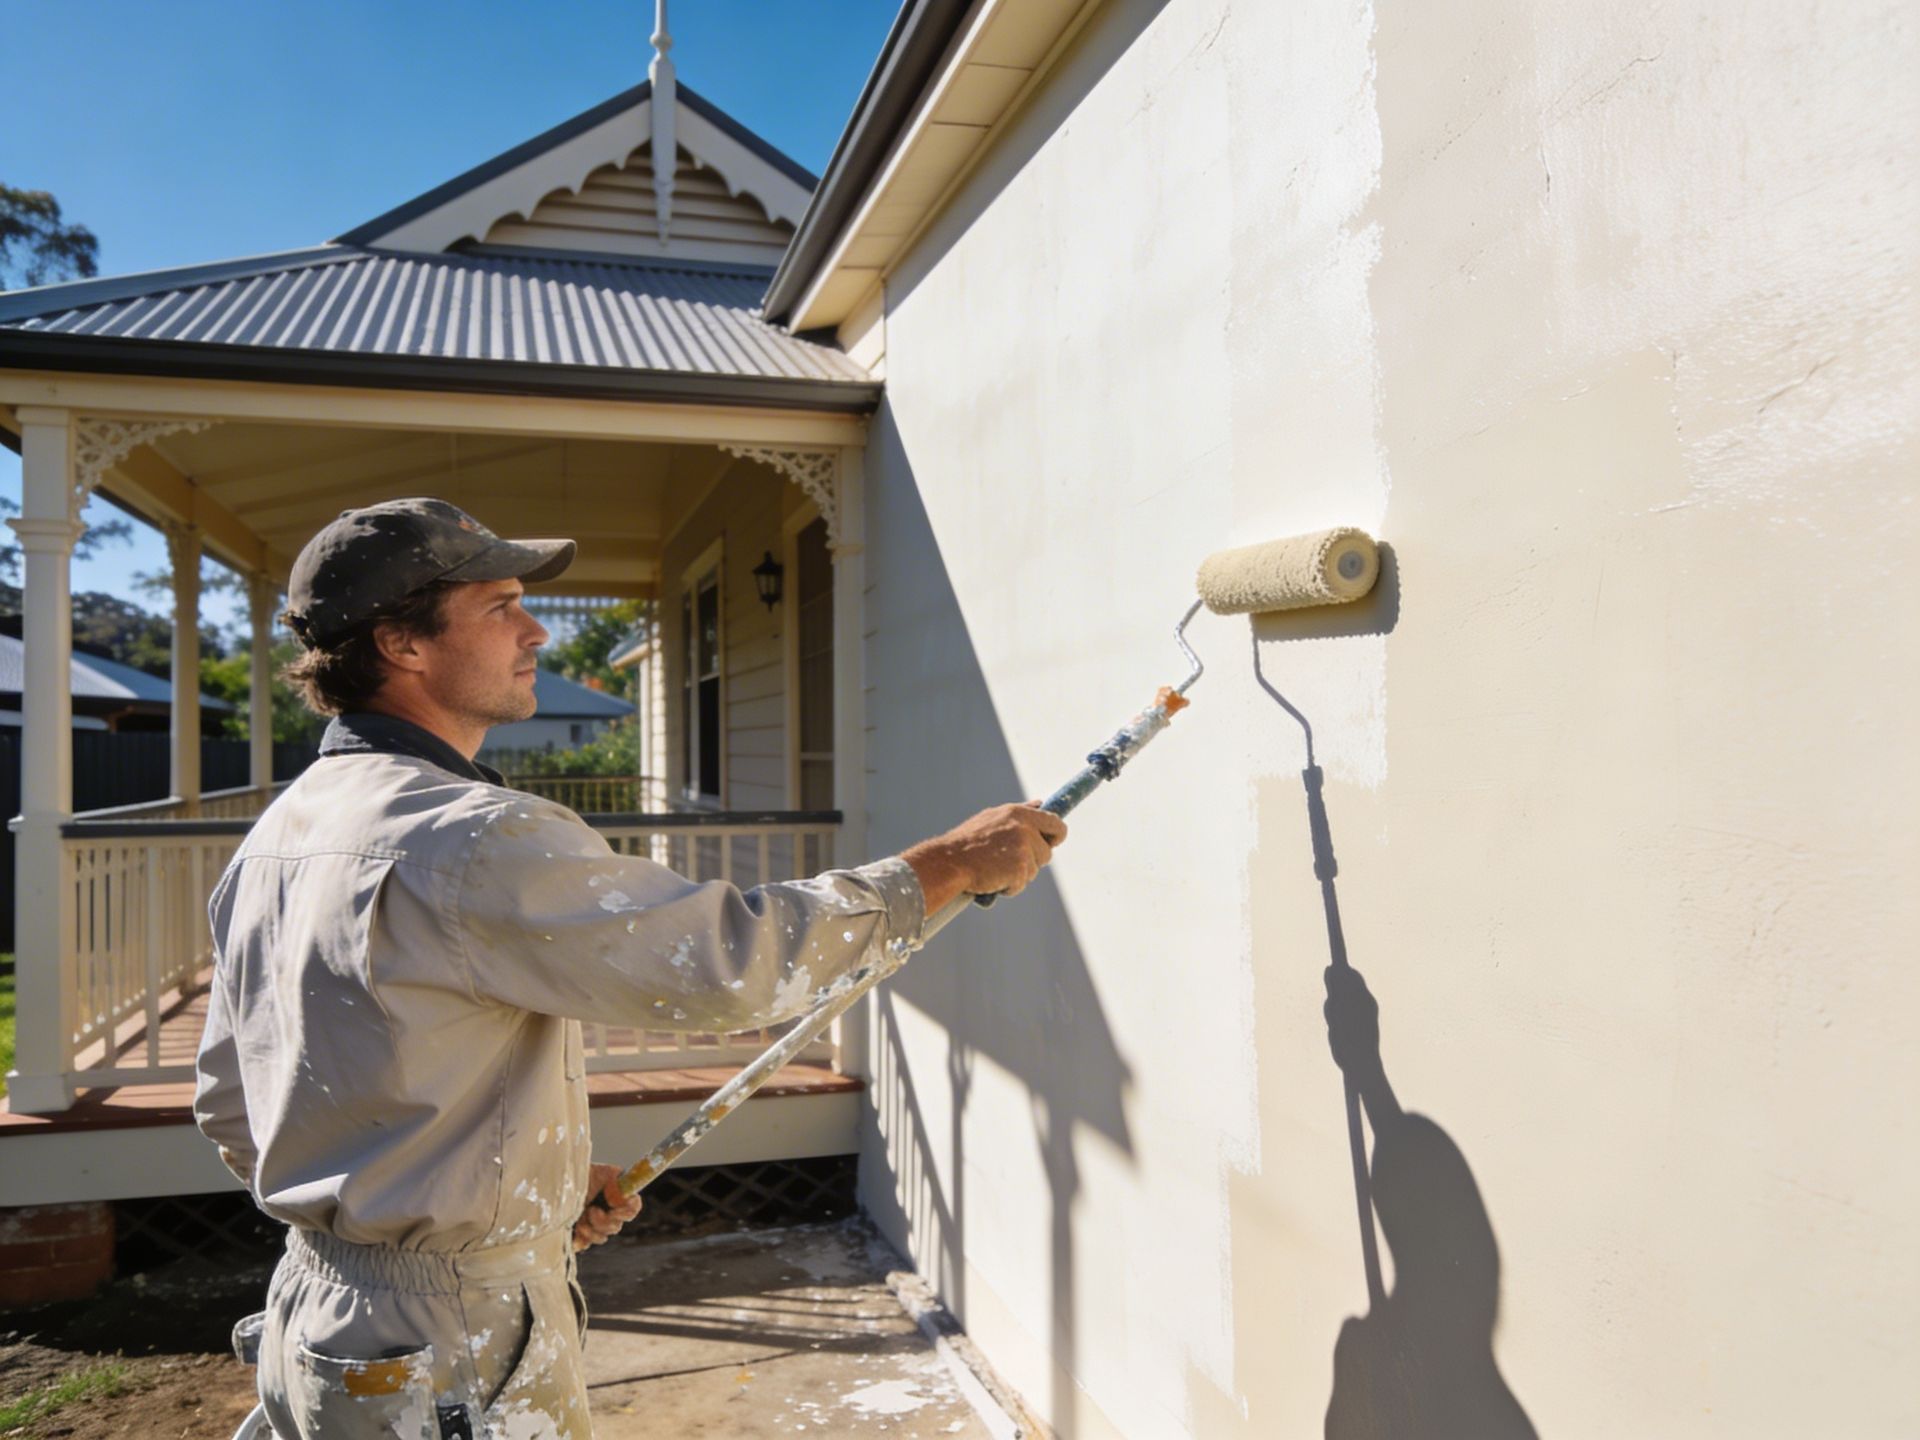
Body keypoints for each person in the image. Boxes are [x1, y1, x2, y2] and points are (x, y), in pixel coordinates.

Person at [193, 498, 1066, 1440]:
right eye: (501, 606)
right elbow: (731, 966)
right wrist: (946, 867)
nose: (535, 631)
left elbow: (232, 1101)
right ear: (402, 644)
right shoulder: (468, 835)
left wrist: (510, 1190)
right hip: (445, 1339)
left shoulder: (283, 832)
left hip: (325, 1320)